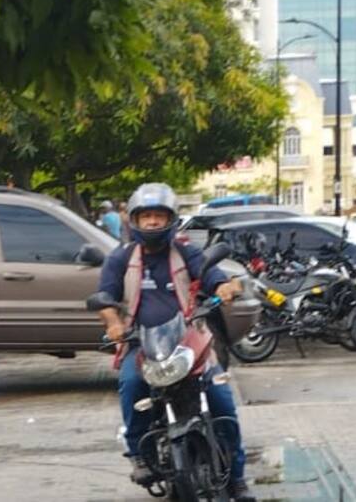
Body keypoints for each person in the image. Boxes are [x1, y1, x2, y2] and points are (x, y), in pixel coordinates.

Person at [97, 183, 255, 502]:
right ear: (136, 222)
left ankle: (237, 478)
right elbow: (105, 298)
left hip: (189, 339)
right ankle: (139, 455)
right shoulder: (121, 258)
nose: (153, 222)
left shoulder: (186, 252)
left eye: (159, 215)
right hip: (142, 343)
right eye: (147, 216)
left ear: (170, 219)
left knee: (222, 399)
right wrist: (113, 323)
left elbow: (212, 277)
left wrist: (224, 287)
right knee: (130, 385)